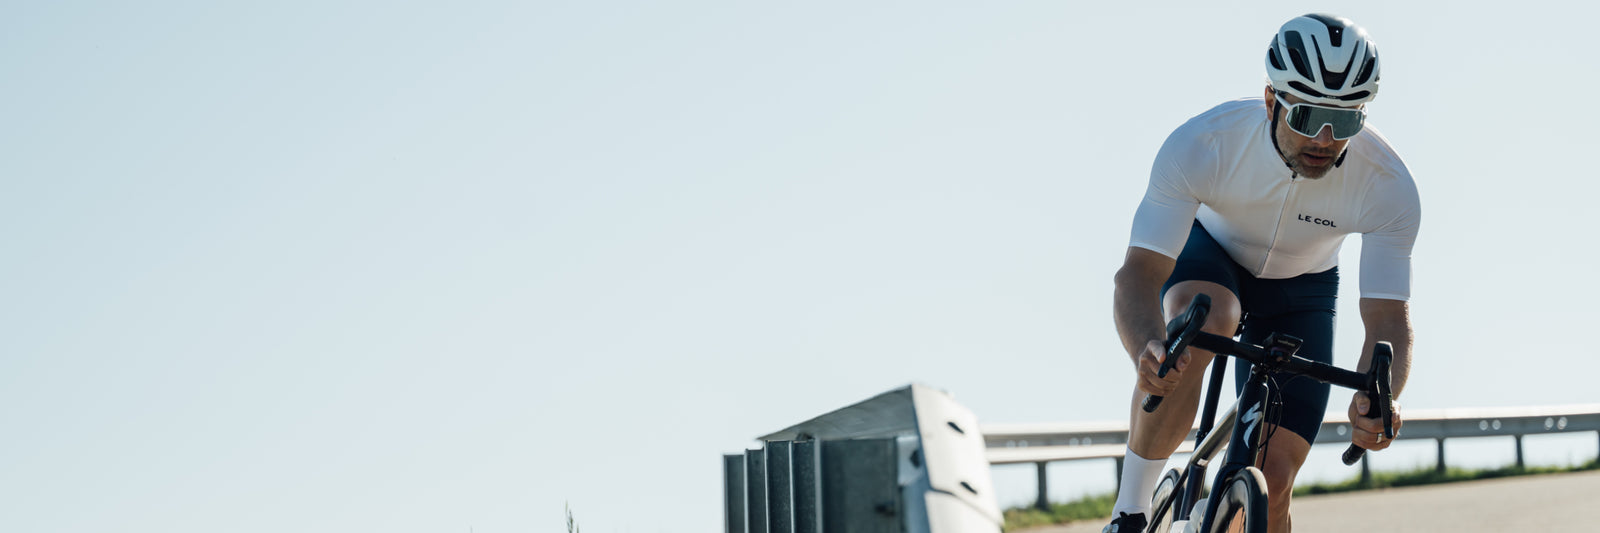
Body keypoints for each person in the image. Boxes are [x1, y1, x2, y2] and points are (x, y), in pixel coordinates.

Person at [1102, 14, 1418, 533]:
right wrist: (1146, 349)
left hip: (1302, 289)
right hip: (1210, 256)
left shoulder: (1387, 184)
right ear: (1271, 100)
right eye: (1307, 114)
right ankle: (1130, 510)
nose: (1322, 136)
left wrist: (1380, 400)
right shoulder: (1204, 143)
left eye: (1342, 122)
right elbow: (1135, 276)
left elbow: (1388, 318)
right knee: (1208, 320)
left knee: (1272, 489)